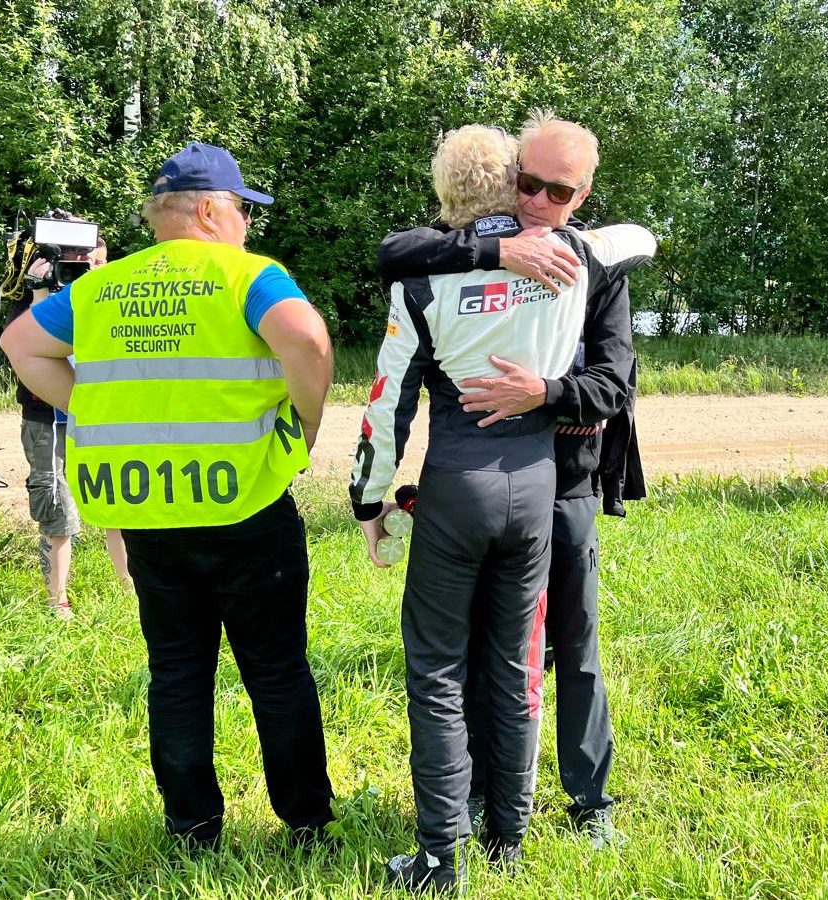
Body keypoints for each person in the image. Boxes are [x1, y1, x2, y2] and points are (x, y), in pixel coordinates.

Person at [1, 141, 337, 850]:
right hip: (246, 504)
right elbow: (306, 339)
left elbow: (21, 345)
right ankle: (306, 826)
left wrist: (90, 408)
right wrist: (307, 425)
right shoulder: (247, 274)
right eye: (244, 210)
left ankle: (192, 829)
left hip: (148, 511)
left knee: (178, 672)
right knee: (276, 671)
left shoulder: (101, 287)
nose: (247, 224)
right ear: (211, 210)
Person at [352, 123, 654, 892]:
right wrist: (502, 249)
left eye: (560, 191)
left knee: (470, 666)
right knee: (512, 664)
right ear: (510, 177)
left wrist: (368, 497)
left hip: (504, 483)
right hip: (532, 485)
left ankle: (468, 845)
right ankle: (502, 831)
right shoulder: (569, 257)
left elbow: (389, 400)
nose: (542, 200)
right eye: (529, 184)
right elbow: (639, 240)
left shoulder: (450, 274)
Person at [5, 232, 132, 620]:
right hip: (48, 418)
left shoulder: (112, 300)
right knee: (56, 508)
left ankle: (131, 591)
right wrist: (39, 293)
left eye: (98, 262)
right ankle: (57, 601)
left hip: (102, 414)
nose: (89, 270)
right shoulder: (34, 297)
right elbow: (20, 348)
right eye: (80, 262)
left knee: (119, 505)